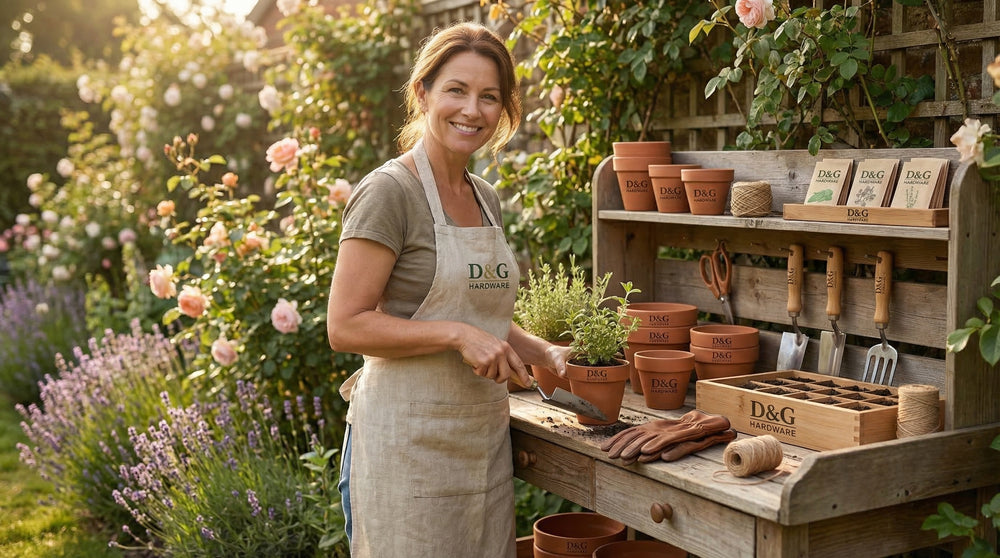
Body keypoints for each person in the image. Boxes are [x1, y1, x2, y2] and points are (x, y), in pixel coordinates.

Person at [326, 21, 573, 558]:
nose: (472, 110)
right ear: (423, 93)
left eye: (489, 97)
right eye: (456, 90)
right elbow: (345, 326)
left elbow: (480, 316)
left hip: (479, 446)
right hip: (404, 450)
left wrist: (545, 351)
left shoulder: (484, 197)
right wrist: (458, 336)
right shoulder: (389, 193)